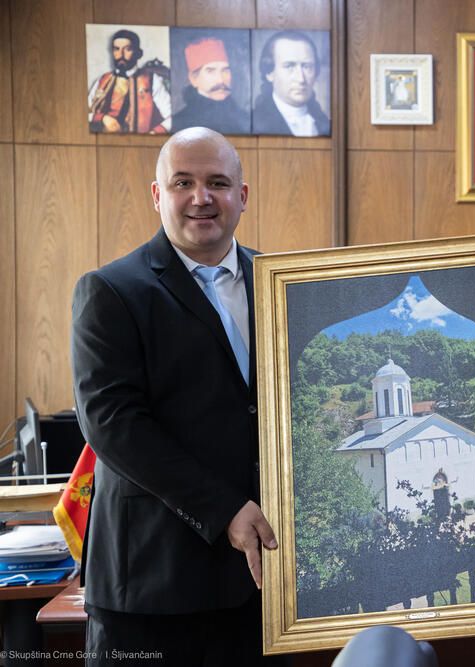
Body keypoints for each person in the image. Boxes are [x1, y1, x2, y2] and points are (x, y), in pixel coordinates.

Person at [71, 127, 280, 665]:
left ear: (242, 196)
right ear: (157, 195)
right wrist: (225, 508)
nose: (201, 197)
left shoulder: (284, 282)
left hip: (265, 586)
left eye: (217, 182)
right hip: (153, 587)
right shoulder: (112, 290)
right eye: (182, 182)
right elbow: (113, 424)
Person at [88, 28, 170, 134]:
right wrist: (103, 118)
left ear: (138, 53)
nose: (121, 54)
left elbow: (172, 117)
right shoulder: (103, 79)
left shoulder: (151, 79)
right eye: (116, 49)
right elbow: (82, 114)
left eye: (127, 49)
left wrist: (154, 133)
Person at [252, 31, 330, 136]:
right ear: (269, 73)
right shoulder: (255, 123)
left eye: (307, 66)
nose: (301, 79)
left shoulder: (326, 124)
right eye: (289, 66)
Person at [172, 37, 250, 134]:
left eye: (225, 70)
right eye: (210, 71)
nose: (221, 80)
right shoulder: (180, 122)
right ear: (194, 79)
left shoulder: (243, 118)